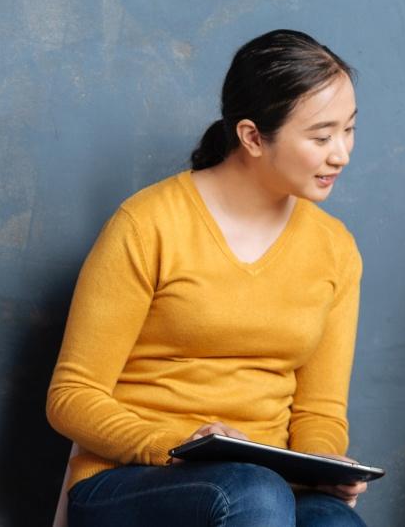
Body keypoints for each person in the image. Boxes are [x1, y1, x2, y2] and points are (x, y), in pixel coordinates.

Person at [46, 29, 369, 527]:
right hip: (132, 477)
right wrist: (176, 445)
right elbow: (71, 396)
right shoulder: (149, 222)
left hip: (274, 487)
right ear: (252, 136)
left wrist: (324, 467)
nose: (341, 153)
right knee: (253, 495)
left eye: (348, 129)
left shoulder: (335, 248)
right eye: (322, 136)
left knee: (334, 522)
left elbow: (319, 412)